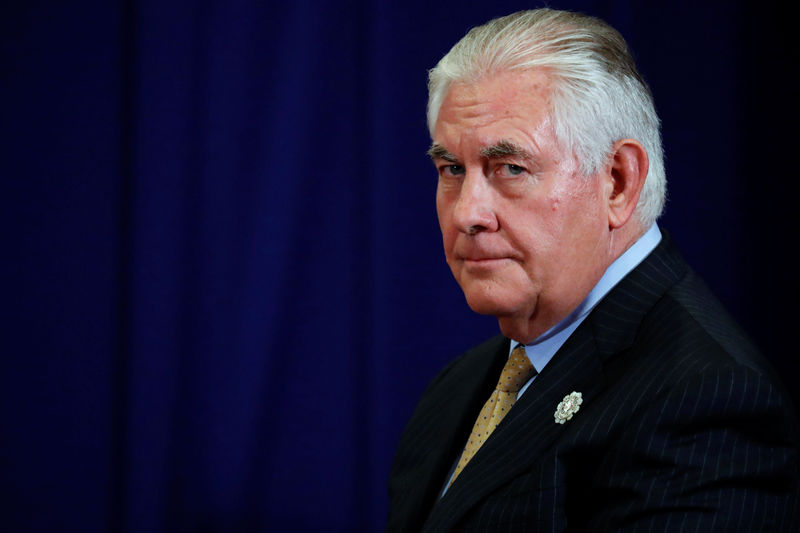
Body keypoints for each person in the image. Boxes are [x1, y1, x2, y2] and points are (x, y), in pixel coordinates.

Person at [386, 8, 799, 532]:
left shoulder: (706, 401)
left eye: (511, 167)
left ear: (618, 182)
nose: (467, 213)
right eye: (451, 169)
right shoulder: (460, 385)